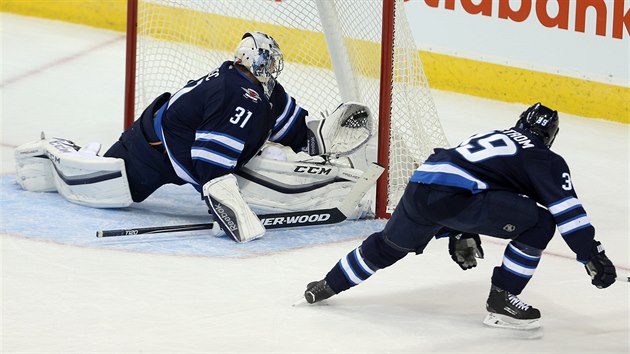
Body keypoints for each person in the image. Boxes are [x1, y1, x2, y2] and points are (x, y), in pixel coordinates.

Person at [14, 31, 375, 242]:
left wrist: (317, 141)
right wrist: (220, 201)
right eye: (271, 60)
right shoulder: (237, 93)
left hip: (173, 145)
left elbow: (294, 130)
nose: (275, 66)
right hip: (152, 150)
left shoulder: (265, 92)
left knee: (121, 188)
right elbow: (210, 161)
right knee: (108, 188)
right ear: (258, 61)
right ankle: (55, 152)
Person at [302, 103, 617, 330]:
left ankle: (326, 285)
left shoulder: (496, 136)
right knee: (541, 222)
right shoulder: (544, 157)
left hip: (421, 185)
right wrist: (591, 254)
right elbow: (568, 213)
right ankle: (503, 300)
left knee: (388, 246)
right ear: (550, 136)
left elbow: (461, 172)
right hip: (453, 199)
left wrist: (457, 231)